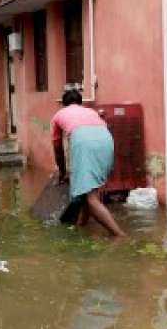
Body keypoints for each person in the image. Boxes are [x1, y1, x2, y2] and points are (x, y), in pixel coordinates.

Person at [51, 89, 125, 238]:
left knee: (91, 199)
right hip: (107, 141)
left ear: (63, 104)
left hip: (84, 142)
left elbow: (58, 149)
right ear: (80, 103)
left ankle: (120, 236)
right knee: (90, 192)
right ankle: (81, 227)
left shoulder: (59, 115)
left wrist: (62, 172)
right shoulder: (91, 112)